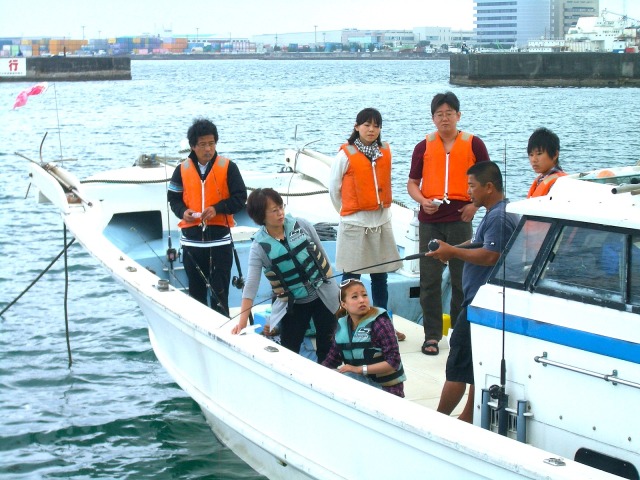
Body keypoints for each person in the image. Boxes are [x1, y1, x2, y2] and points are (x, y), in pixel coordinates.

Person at [427, 161, 519, 422]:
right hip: (482, 301)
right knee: (475, 365)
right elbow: (480, 243)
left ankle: (437, 421)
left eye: (472, 186)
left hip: (480, 302)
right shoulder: (499, 211)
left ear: (489, 187)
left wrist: (453, 252)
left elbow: (491, 255)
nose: (468, 191)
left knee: (458, 364)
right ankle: (468, 417)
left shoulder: (499, 217)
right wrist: (450, 247)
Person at [407, 91, 490, 355]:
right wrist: (422, 200)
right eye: (439, 114)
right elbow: (412, 184)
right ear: (433, 118)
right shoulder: (423, 147)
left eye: (449, 113)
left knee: (460, 280)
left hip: (460, 218)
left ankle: (457, 334)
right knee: (429, 280)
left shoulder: (474, 144)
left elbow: (490, 180)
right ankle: (431, 335)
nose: (445, 119)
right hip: (430, 219)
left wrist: (475, 206)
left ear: (458, 115)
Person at [230, 188, 338, 363]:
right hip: (293, 304)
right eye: (274, 210)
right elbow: (250, 285)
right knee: (289, 351)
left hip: (323, 295)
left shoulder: (302, 225)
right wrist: (242, 322)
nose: (280, 213)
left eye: (281, 207)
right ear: (261, 216)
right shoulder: (259, 248)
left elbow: (322, 254)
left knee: (328, 347)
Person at [328, 107, 405, 341]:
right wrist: (346, 212)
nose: (371, 129)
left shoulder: (384, 152)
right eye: (366, 125)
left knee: (380, 278)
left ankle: (383, 326)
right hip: (354, 224)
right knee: (351, 279)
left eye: (376, 125)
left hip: (380, 222)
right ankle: (348, 328)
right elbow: (334, 189)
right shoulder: (345, 155)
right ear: (357, 126)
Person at [168, 118, 247, 316]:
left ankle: (222, 333)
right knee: (196, 295)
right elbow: (174, 199)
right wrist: (182, 212)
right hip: (192, 243)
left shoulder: (228, 167)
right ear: (193, 146)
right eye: (202, 144)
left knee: (220, 295)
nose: (208, 149)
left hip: (220, 242)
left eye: (211, 143)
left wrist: (218, 208)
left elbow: (240, 198)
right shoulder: (181, 170)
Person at [322, 278, 406, 397]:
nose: (362, 300)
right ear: (343, 304)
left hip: (388, 391)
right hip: (360, 385)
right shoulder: (342, 327)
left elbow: (394, 362)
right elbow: (331, 361)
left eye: (364, 295)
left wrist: (359, 369)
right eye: (355, 297)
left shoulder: (380, 323)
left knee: (346, 378)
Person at [526, 127, 567, 198]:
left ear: (555, 154)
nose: (534, 159)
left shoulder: (558, 184)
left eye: (539, 154)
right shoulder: (541, 179)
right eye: (531, 155)